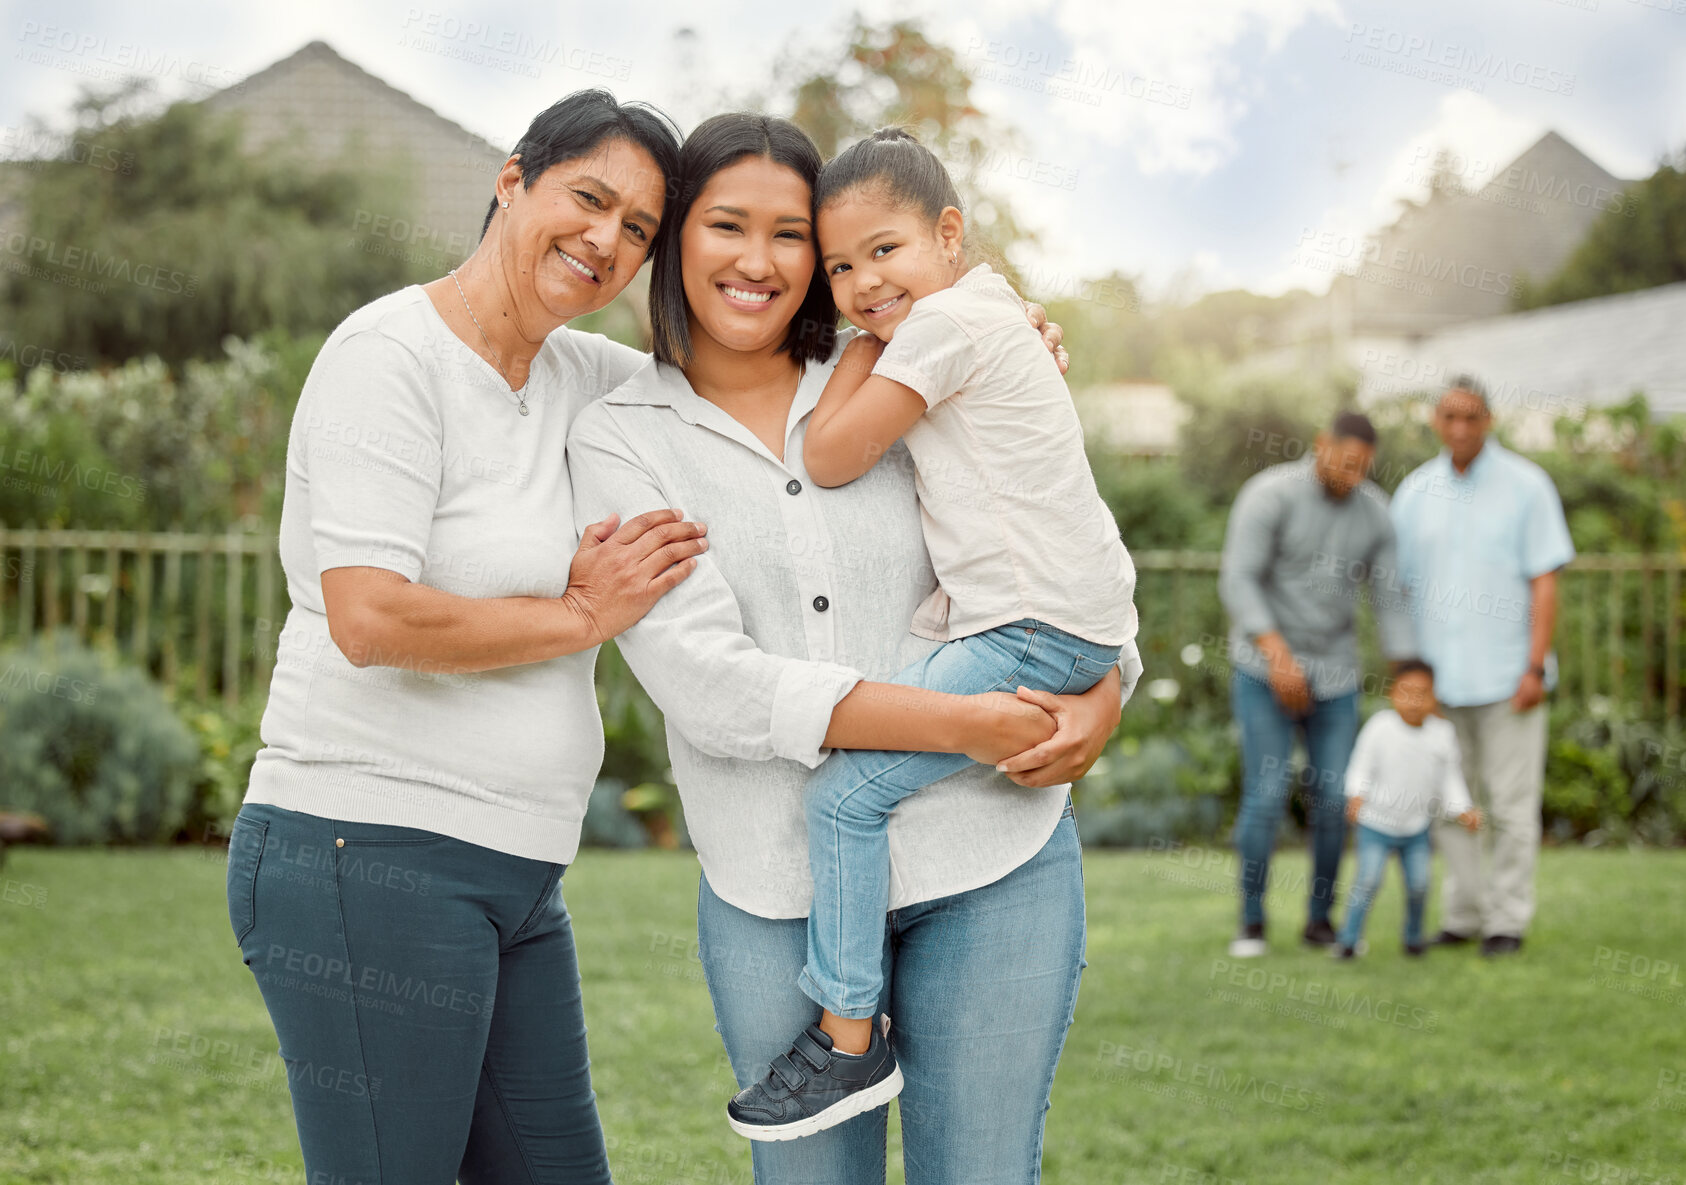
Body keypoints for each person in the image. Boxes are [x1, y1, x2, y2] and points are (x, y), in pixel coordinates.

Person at [566, 112, 1140, 1184]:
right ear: (678, 236)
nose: (760, 260)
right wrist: (971, 721)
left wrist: (1110, 684)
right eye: (728, 225)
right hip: (773, 885)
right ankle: (845, 1032)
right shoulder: (620, 435)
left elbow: (1055, 535)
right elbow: (713, 688)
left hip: (992, 858)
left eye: (791, 235)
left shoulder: (908, 370)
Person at [223, 91, 708, 1184]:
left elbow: (759, 391)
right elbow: (369, 615)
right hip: (365, 848)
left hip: (522, 873)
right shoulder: (390, 357)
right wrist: (582, 617)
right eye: (589, 199)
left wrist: (964, 332)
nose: (605, 241)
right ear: (512, 179)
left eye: (637, 231)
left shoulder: (596, 383)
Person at [1218, 411, 1416, 958]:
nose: (1352, 477)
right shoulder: (1269, 495)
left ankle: (1320, 921)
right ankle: (1252, 922)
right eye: (1345, 463)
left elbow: (1391, 600)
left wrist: (1410, 676)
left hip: (1335, 676)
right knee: (1266, 793)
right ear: (1321, 445)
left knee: (1334, 797)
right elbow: (1238, 580)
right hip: (1264, 670)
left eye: (1363, 469)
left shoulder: (1376, 514)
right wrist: (1278, 655)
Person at [1390, 375, 1574, 957]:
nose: (1461, 428)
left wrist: (1535, 667)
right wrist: (1409, 677)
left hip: (1508, 680)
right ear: (1435, 422)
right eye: (1450, 417)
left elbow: (1545, 581)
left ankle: (1507, 920)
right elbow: (1398, 591)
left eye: (1472, 417)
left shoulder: (1527, 486)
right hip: (1438, 686)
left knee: (1513, 807)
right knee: (1451, 803)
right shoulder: (1416, 492)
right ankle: (1463, 914)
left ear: (1489, 420)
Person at [1335, 660, 1481, 960]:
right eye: (1407, 692)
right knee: (1368, 881)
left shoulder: (1442, 733)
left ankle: (1414, 939)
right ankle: (1349, 940)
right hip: (1376, 823)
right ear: (1393, 694)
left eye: (1423, 693)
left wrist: (1463, 809)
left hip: (1416, 827)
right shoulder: (1380, 727)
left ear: (1434, 697)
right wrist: (1356, 795)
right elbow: (1361, 763)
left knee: (1419, 884)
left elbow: (1449, 779)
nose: (1414, 701)